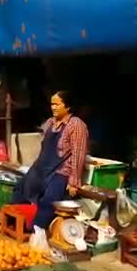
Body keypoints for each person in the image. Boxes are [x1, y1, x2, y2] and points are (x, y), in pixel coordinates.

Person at [11, 90, 89, 229]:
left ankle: (36, 230)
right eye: (52, 104)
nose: (53, 107)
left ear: (68, 106)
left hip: (60, 172)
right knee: (20, 189)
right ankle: (16, 223)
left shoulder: (76, 125)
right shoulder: (50, 123)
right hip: (41, 168)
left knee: (48, 201)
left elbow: (78, 154)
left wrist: (74, 182)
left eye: (57, 104)